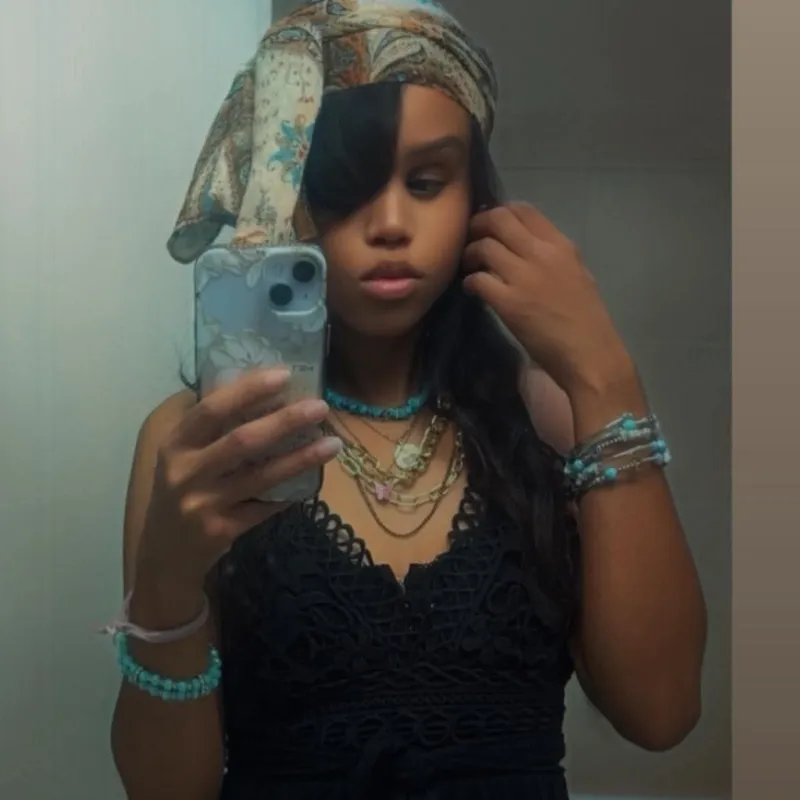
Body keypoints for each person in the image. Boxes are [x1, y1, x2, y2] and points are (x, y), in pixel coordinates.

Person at [108, 2, 707, 798]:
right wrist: (165, 579)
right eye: (345, 187)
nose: (391, 223)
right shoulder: (198, 440)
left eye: (426, 183)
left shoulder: (552, 417)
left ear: (475, 198)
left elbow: (662, 713)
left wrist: (605, 373)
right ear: (289, 201)